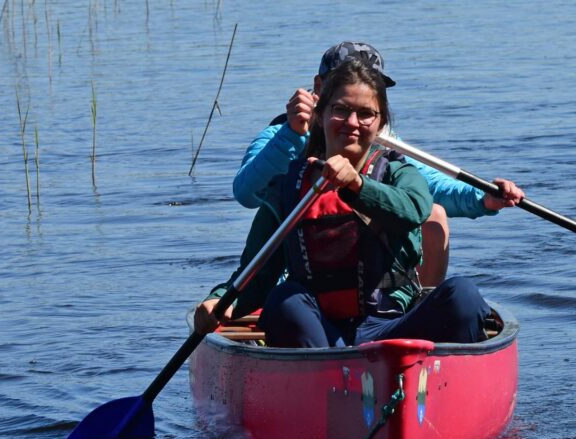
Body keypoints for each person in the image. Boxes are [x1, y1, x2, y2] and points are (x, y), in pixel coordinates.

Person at [195, 60, 491, 348]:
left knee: (463, 295)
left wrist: (358, 185)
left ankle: (436, 379)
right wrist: (220, 300)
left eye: (365, 114)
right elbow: (257, 274)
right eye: (340, 110)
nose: (352, 123)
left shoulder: (399, 173)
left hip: (393, 328)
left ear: (381, 124)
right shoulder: (288, 188)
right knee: (284, 300)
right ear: (320, 116)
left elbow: (414, 209)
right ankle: (329, 376)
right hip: (319, 333)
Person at [232, 41, 524, 286]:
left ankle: (417, 320)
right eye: (345, 89)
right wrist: (292, 136)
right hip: (296, 279)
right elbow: (247, 193)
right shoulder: (280, 136)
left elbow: (429, 186)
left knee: (433, 215)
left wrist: (483, 198)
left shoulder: (384, 144)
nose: (356, 108)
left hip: (365, 277)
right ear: (319, 88)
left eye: (371, 89)